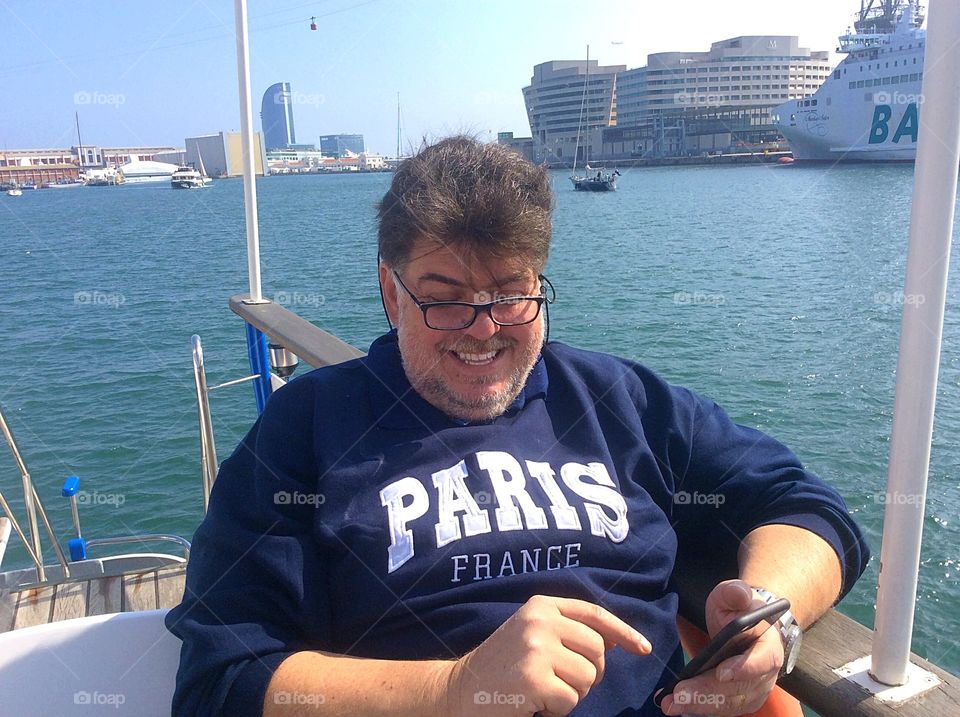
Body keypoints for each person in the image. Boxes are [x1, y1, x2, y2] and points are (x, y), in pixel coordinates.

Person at [166, 136, 869, 717]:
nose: (483, 329)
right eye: (444, 300)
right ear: (391, 293)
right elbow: (221, 679)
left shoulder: (620, 400)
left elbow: (805, 505)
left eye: (510, 295)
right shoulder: (308, 427)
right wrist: (454, 689)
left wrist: (769, 614)